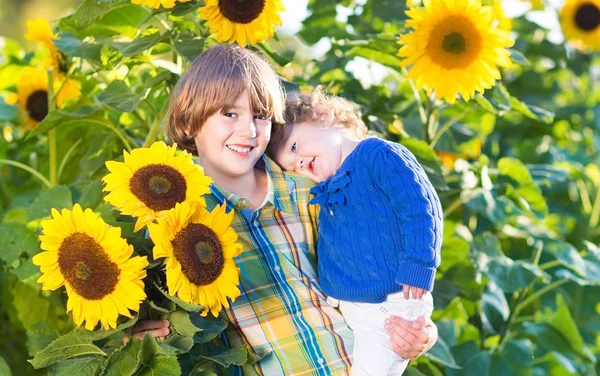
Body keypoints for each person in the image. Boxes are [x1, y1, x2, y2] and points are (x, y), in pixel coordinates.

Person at [127, 44, 439, 375]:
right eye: (230, 114)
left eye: (260, 115)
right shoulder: (176, 218)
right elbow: (169, 320)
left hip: (354, 361)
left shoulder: (311, 190)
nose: (248, 130)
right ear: (189, 122)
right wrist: (143, 336)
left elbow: (380, 256)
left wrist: (420, 329)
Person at [268, 89, 443, 376]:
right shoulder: (327, 188)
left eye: (295, 147)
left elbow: (421, 207)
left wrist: (419, 265)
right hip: (351, 307)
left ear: (324, 117)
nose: (298, 164)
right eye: (292, 167)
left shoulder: (377, 154)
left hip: (392, 303)